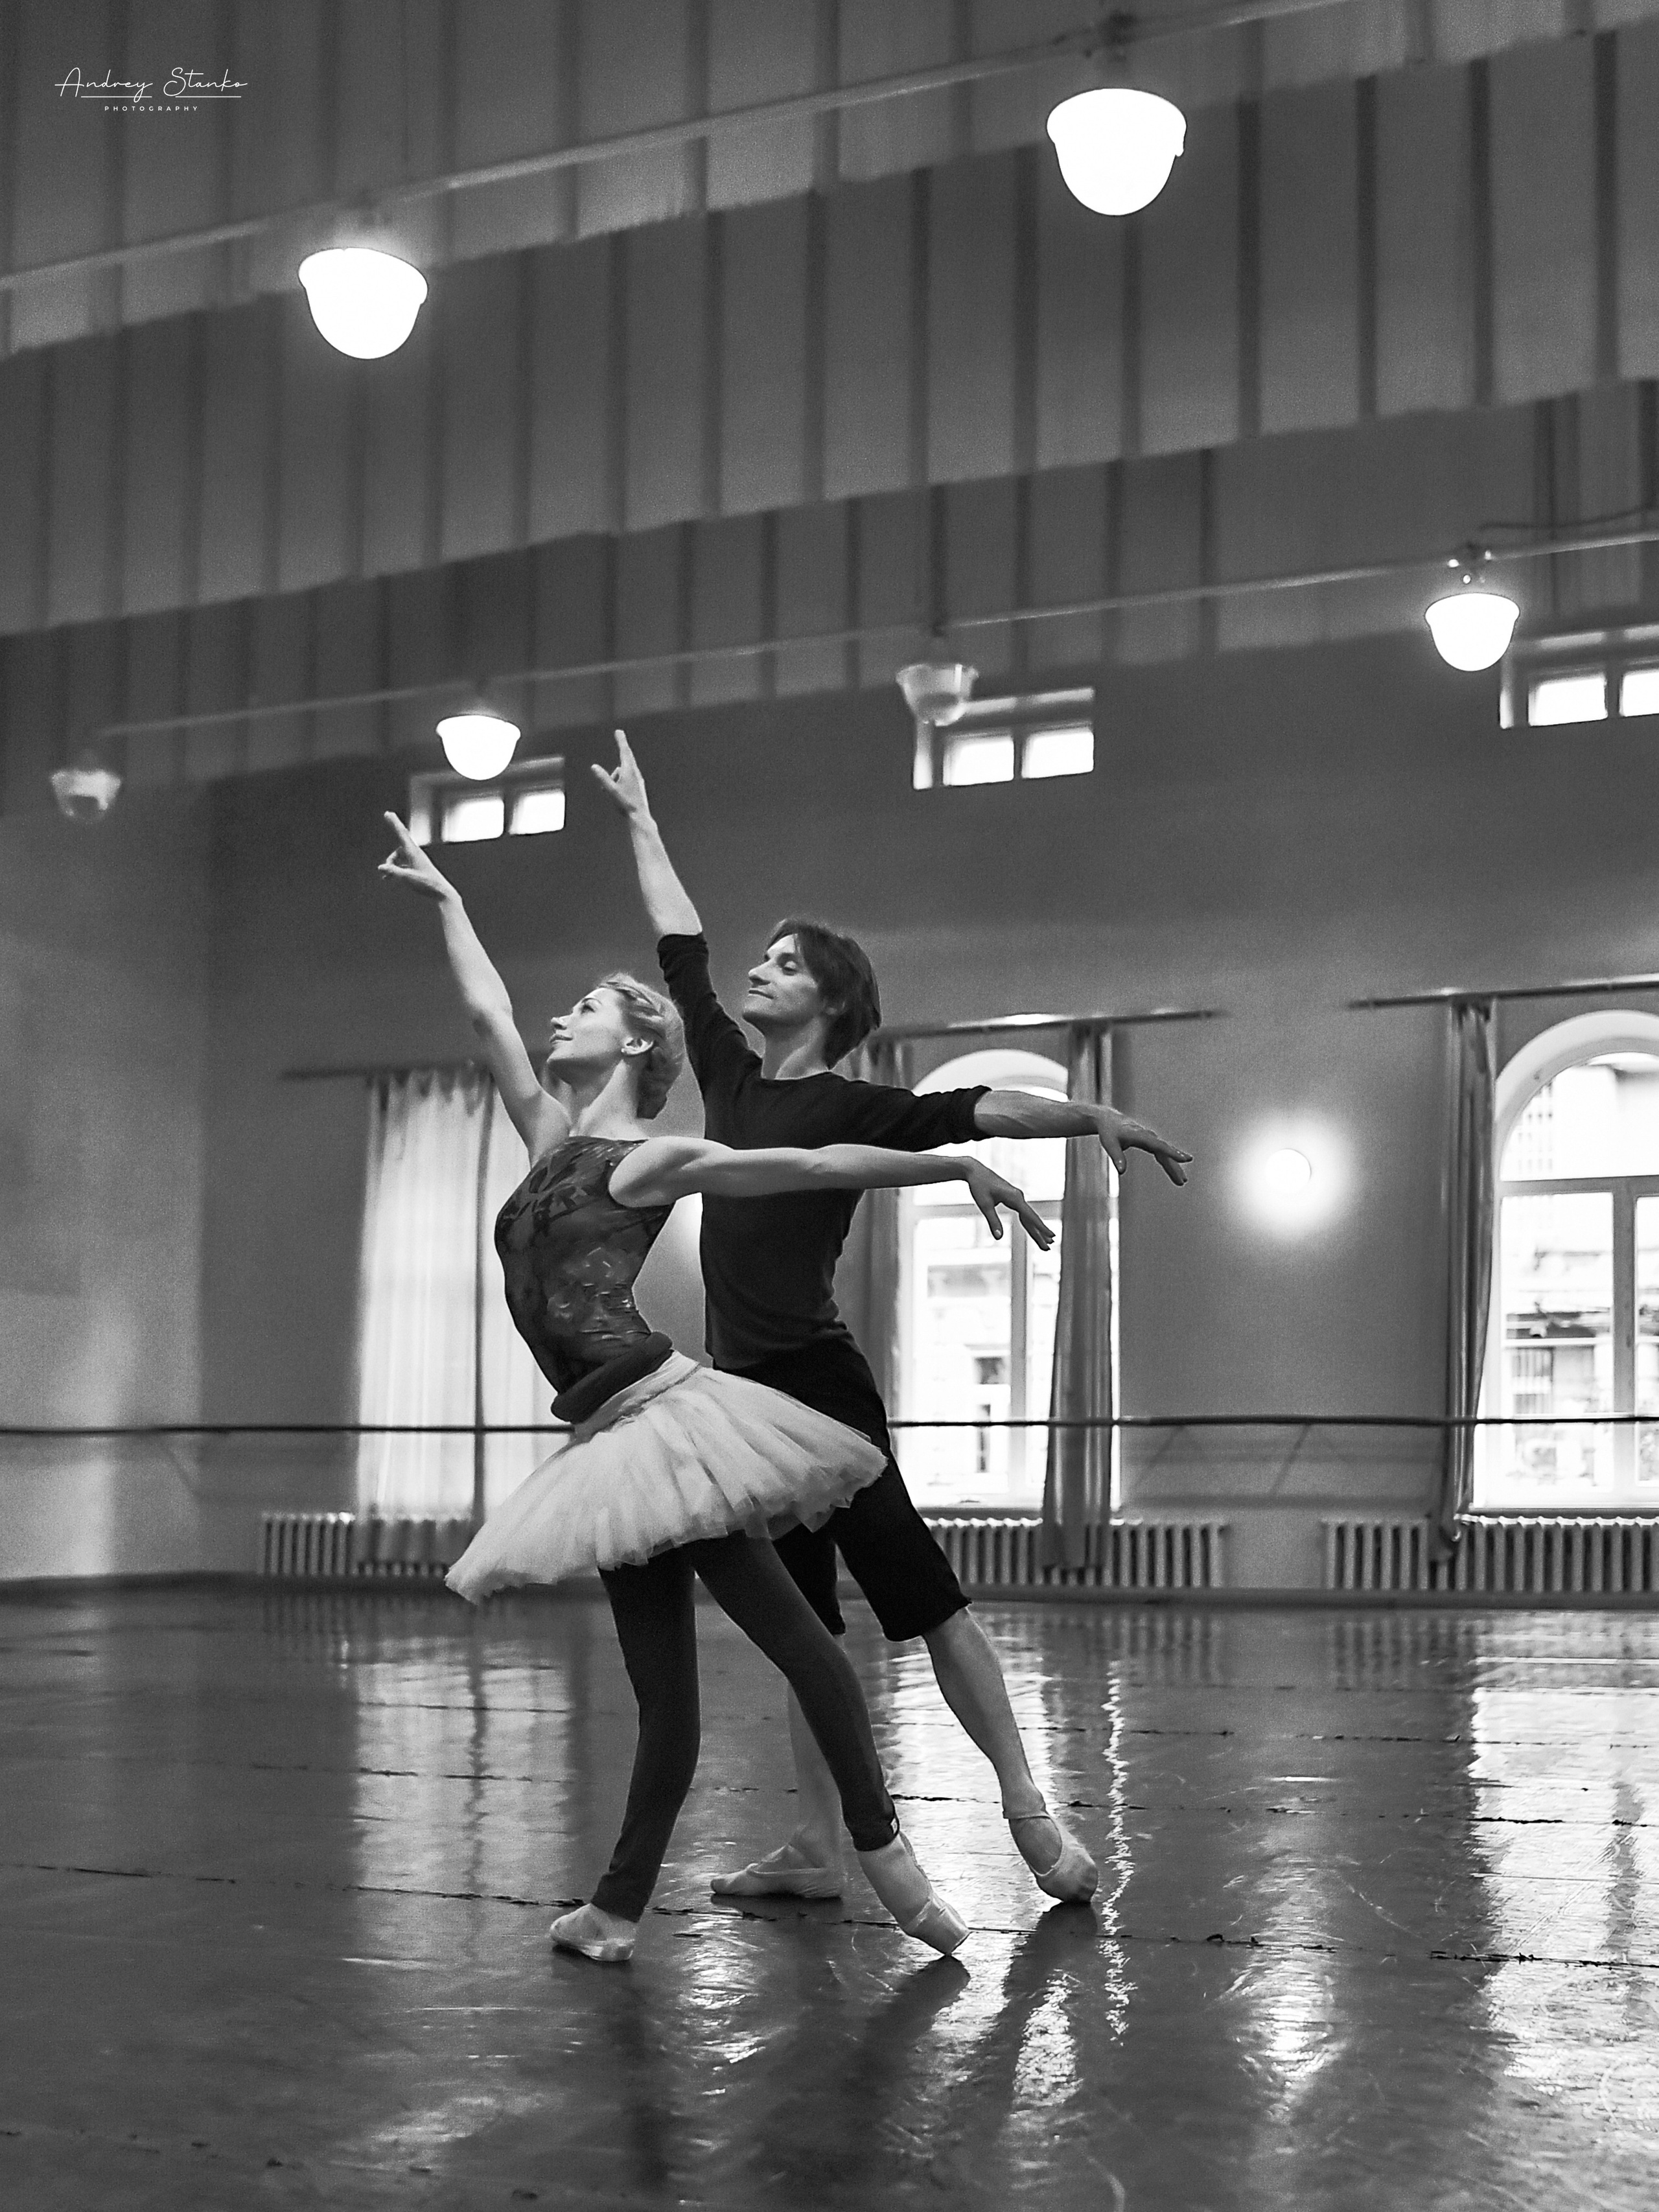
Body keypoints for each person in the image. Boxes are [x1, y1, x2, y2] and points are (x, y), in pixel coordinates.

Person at [376, 813, 1052, 1966]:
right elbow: (487, 1013)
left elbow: (814, 1162)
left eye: (586, 1007)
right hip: (606, 1443)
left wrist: (950, 1160)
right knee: (665, 1699)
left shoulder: (649, 1158)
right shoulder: (546, 1136)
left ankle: (883, 1849)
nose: (557, 1019)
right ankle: (615, 1909)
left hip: (668, 1422)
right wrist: (448, 900)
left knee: (803, 1643)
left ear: (639, 1040)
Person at [593, 732, 1192, 1910]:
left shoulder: (854, 1103)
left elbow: (981, 1107)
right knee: (806, 1633)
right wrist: (642, 818)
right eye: (764, 957)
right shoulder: (731, 1078)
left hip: (819, 1386)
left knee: (924, 1597)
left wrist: (1090, 1115)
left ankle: (1026, 1805)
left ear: (831, 998)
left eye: (786, 964)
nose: (760, 971)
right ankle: (820, 1850)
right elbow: (681, 943)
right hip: (744, 1399)